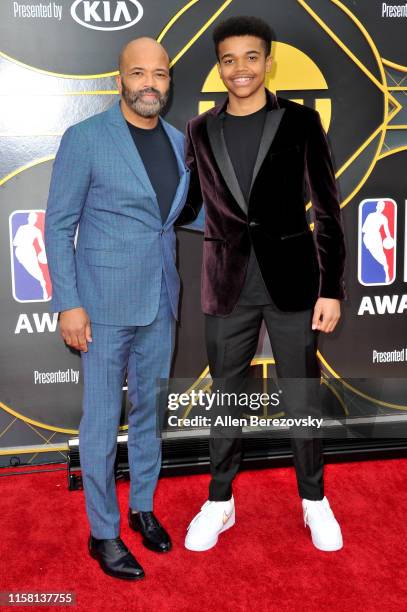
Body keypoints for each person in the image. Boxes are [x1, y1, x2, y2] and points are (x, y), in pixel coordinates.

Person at [177, 16, 346, 553]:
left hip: (294, 282)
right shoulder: (200, 129)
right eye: (229, 60)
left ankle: (314, 500)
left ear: (268, 60)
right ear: (219, 66)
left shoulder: (300, 122)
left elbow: (327, 207)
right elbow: (189, 204)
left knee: (301, 393)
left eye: (251, 57)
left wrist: (332, 288)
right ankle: (220, 501)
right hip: (226, 284)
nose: (240, 69)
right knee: (224, 395)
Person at [45, 37, 190, 580]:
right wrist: (69, 304)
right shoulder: (85, 138)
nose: (149, 83)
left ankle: (143, 507)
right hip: (101, 306)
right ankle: (103, 533)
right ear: (120, 79)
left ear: (168, 81)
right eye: (139, 73)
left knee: (151, 415)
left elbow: (180, 215)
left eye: (160, 74)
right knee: (103, 422)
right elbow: (58, 226)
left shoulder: (179, 142)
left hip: (160, 299)